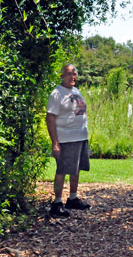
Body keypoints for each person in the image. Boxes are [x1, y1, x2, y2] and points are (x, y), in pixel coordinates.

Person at [46, 63, 91, 217]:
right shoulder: (57, 93)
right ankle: (57, 203)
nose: (72, 77)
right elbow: (50, 118)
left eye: (74, 74)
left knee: (76, 169)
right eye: (69, 74)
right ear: (62, 76)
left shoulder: (76, 91)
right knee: (62, 170)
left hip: (80, 137)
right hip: (66, 139)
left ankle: (72, 199)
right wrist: (55, 143)